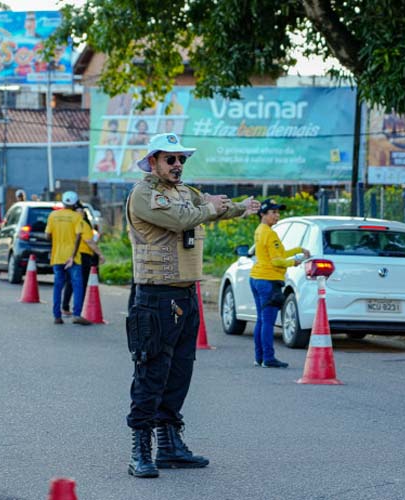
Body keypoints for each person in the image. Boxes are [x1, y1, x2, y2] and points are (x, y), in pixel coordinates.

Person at [125, 133, 259, 478]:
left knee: (180, 372)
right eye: (171, 159)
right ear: (153, 161)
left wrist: (243, 207)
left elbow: (211, 211)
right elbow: (184, 219)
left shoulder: (187, 193)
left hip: (186, 294)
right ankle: (141, 449)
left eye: (182, 159)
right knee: (152, 372)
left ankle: (169, 445)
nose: (178, 165)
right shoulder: (144, 194)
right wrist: (210, 207)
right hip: (155, 296)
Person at [249, 199, 310, 368]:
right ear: (262, 214)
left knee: (261, 320)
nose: (277, 215)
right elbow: (277, 261)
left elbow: (280, 253)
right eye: (273, 212)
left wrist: (298, 249)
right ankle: (268, 358)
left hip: (256, 278)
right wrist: (294, 263)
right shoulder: (270, 233)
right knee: (267, 321)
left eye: (278, 212)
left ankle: (259, 357)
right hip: (268, 280)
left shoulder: (260, 230)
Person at [45, 191, 89, 326]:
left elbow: (47, 236)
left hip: (57, 256)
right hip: (73, 258)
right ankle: (76, 314)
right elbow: (78, 237)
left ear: (63, 202)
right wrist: (72, 255)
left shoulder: (53, 216)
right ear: (75, 203)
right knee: (77, 285)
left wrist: (57, 240)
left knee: (58, 286)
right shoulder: (77, 217)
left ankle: (57, 316)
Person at [61, 201, 106, 316]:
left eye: (82, 211)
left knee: (70, 282)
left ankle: (66, 307)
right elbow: (89, 241)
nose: (81, 214)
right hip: (82, 256)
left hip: (69, 255)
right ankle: (79, 310)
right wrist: (100, 254)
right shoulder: (82, 223)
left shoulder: (69, 223)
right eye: (79, 212)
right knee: (81, 283)